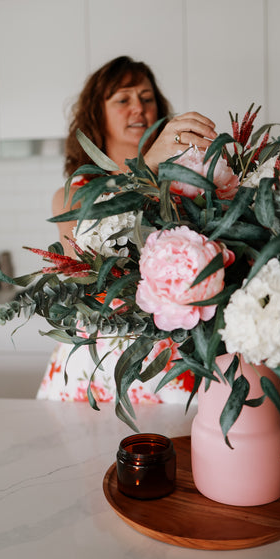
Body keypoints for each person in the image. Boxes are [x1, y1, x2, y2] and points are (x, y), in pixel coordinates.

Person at [36, 56, 217, 404]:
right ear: (96, 114)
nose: (139, 108)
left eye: (147, 98)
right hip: (100, 353)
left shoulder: (182, 180)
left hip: (172, 350)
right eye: (123, 99)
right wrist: (149, 165)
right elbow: (87, 266)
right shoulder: (75, 191)